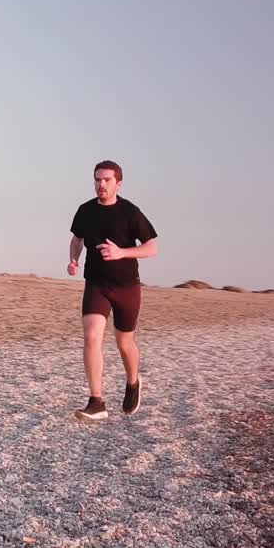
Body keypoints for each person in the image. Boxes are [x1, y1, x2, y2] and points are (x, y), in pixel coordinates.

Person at [67, 160, 159, 420]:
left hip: (127, 286)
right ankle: (96, 402)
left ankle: (132, 382)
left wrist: (121, 253)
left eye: (107, 180)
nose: (101, 185)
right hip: (96, 283)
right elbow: (77, 239)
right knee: (92, 337)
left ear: (118, 183)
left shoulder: (130, 212)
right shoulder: (85, 211)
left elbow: (152, 248)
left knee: (124, 342)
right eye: (97, 179)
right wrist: (74, 259)